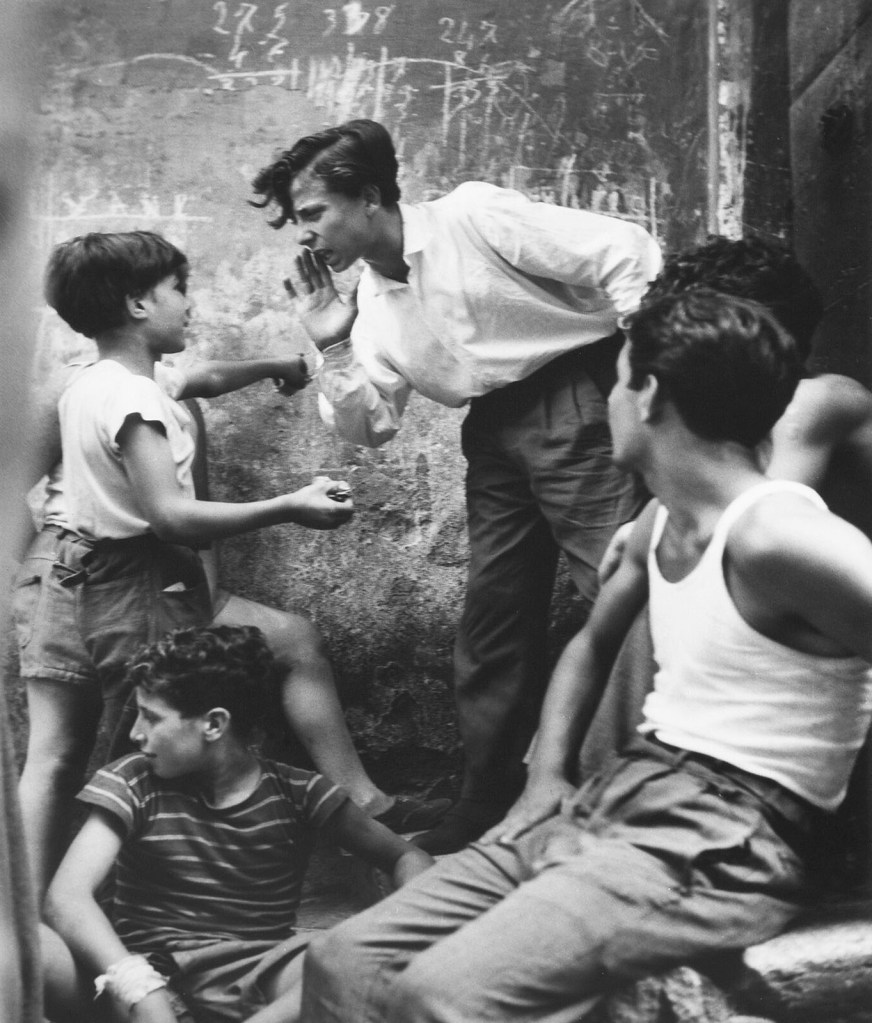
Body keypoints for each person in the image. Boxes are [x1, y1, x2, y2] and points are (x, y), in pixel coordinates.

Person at [298, 289, 872, 1022]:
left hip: (722, 834)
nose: (608, 401)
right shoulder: (663, 521)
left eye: (618, 379)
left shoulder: (779, 535)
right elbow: (591, 644)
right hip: (621, 792)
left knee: (438, 997)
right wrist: (546, 777)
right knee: (343, 958)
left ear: (651, 393)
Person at [251, 118, 661, 852]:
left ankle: (655, 782)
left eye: (313, 212)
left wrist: (639, 373)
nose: (305, 235)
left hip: (576, 392)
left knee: (620, 591)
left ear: (370, 196)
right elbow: (369, 425)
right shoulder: (372, 304)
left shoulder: (470, 217)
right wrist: (332, 342)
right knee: (494, 619)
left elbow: (625, 251)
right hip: (494, 430)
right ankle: (491, 796)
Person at [12, 230, 441, 906]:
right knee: (152, 745)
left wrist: (276, 365)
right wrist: (289, 505)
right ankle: (141, 906)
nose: (191, 302)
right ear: (137, 305)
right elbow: (171, 517)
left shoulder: (100, 382)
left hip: (62, 576)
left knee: (53, 755)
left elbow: (198, 377)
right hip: (128, 582)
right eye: (178, 289)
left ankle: (22, 924)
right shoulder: (138, 400)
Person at [579, 235, 872, 782]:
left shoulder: (816, 400)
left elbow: (729, 518)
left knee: (665, 603)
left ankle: (597, 791)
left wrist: (649, 528)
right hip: (813, 634)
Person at [42, 625, 434, 1023]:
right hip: (143, 977)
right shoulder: (132, 782)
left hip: (258, 976)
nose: (135, 733)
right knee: (28, 946)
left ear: (214, 724)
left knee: (350, 966)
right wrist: (137, 985)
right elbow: (66, 898)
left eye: (151, 717)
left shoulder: (299, 793)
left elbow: (406, 856)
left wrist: (404, 927)